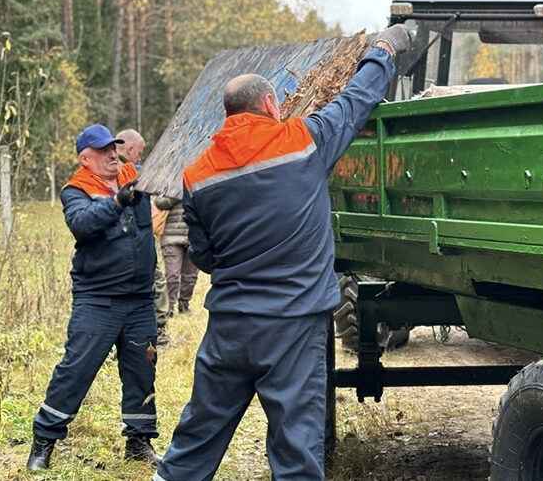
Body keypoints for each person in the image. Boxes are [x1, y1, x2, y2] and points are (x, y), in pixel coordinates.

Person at [153, 25, 410, 481]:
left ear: (227, 114)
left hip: (230, 328)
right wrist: (386, 49)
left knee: (196, 440)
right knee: (295, 450)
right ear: (271, 106)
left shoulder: (196, 175)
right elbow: (356, 102)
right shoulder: (302, 142)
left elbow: (206, 257)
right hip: (293, 326)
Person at [27, 124, 161, 470]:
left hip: (140, 300)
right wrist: (118, 200)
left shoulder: (137, 175)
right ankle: (44, 441)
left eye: (113, 149)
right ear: (85, 158)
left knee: (141, 371)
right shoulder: (76, 190)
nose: (112, 156)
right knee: (76, 370)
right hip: (97, 300)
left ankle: (139, 441)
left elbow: (173, 179)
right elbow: (82, 224)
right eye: (103, 152)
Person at [116, 129, 173, 345]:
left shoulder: (109, 169)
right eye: (139, 152)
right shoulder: (132, 173)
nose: (140, 157)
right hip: (135, 242)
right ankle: (158, 332)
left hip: (126, 244)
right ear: (130, 149)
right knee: (156, 283)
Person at [154, 194, 199, 315]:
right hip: (171, 237)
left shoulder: (197, 181)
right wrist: (176, 195)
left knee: (190, 276)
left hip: (194, 236)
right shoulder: (171, 182)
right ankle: (168, 308)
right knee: (172, 275)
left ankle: (184, 306)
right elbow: (159, 203)